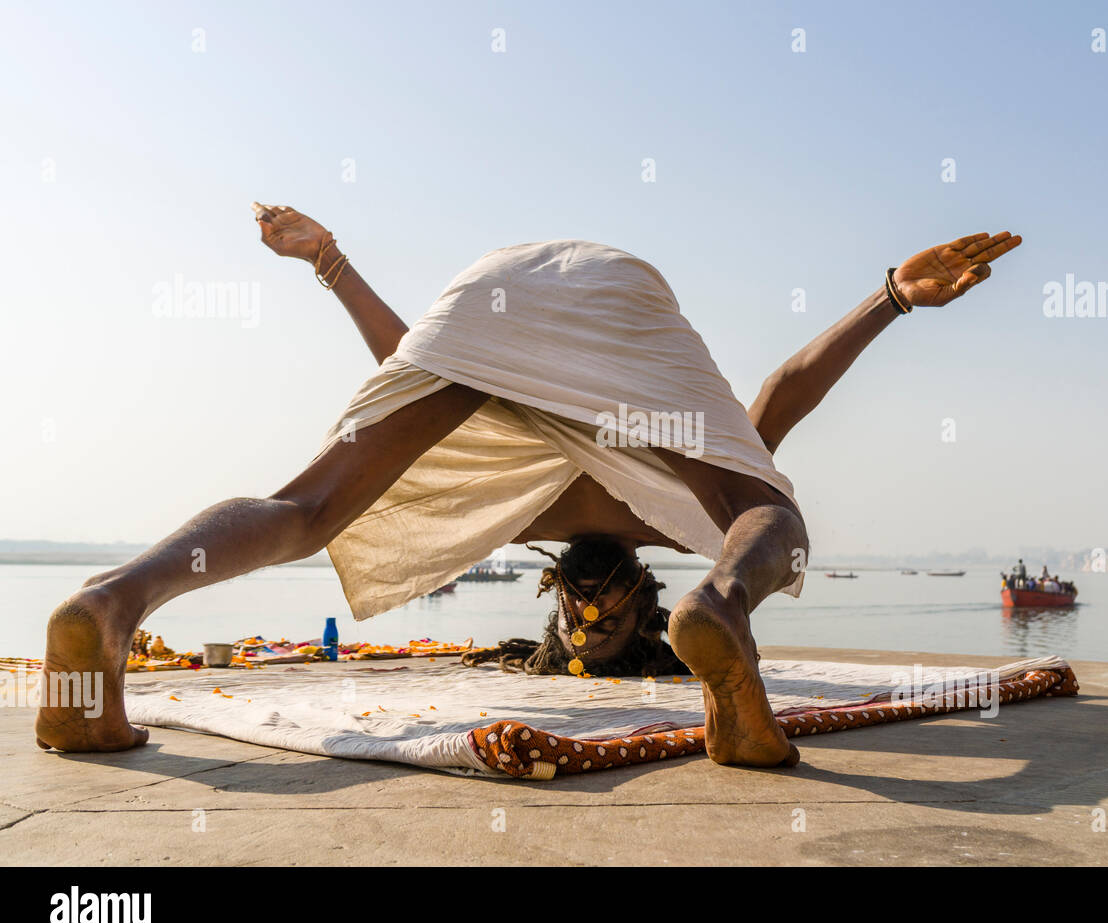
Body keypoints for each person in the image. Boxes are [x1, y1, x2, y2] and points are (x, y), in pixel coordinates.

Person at [37, 204, 1020, 767]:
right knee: (774, 515)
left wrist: (332, 262)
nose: (588, 602)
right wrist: (887, 295)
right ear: (646, 601)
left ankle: (111, 601)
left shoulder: (518, 496)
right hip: (619, 295)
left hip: (484, 289)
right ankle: (727, 609)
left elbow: (408, 368)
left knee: (308, 505)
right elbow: (782, 397)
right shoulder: (686, 514)